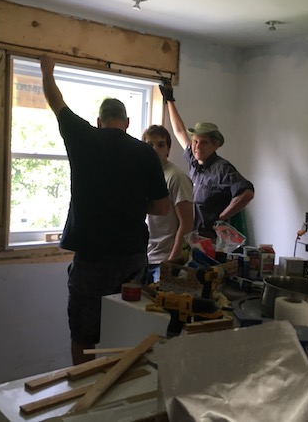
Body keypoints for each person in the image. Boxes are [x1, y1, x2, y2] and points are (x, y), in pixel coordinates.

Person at [40, 55, 170, 365]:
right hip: (132, 261)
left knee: (84, 334)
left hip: (91, 261)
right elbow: (163, 208)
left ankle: (85, 391)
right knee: (127, 330)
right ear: (126, 124)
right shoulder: (146, 153)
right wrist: (136, 203)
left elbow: (55, 101)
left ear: (99, 121)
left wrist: (47, 70)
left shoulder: (83, 137)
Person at [159, 81, 254, 240]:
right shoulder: (194, 162)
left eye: (204, 142)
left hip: (212, 239)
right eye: (195, 141)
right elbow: (179, 130)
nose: (197, 146)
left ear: (215, 145)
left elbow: (247, 193)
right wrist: (169, 99)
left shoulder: (222, 168)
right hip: (193, 236)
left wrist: (222, 217)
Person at [141, 125, 194, 282]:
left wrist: (171, 263)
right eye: (150, 145)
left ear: (168, 149)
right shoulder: (143, 176)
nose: (155, 149)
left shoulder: (176, 177)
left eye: (161, 144)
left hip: (165, 260)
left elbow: (187, 224)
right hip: (144, 259)